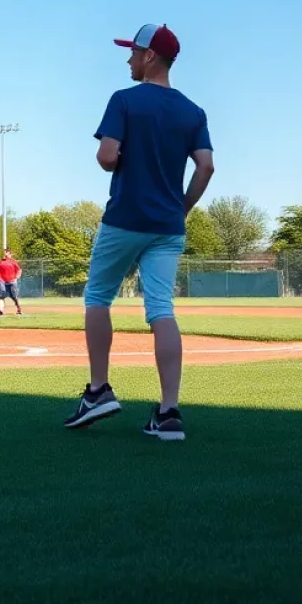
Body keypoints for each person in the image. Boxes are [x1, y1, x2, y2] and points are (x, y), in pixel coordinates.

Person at [63, 24, 214, 442]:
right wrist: (181, 208)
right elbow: (206, 167)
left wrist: (118, 155)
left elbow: (106, 156)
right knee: (161, 308)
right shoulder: (193, 111)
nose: (129, 59)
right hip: (168, 225)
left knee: (98, 296)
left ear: (149, 56)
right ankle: (168, 413)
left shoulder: (124, 100)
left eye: (133, 52)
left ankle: (98, 391)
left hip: (125, 218)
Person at [0, 247, 23, 316]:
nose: (5, 254)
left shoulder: (13, 261)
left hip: (12, 281)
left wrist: (17, 277)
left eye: (6, 252)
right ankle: (1, 310)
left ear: (10, 254)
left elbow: (19, 270)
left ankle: (18, 308)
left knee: (14, 296)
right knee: (2, 295)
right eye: (4, 253)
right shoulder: (0, 261)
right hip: (2, 280)